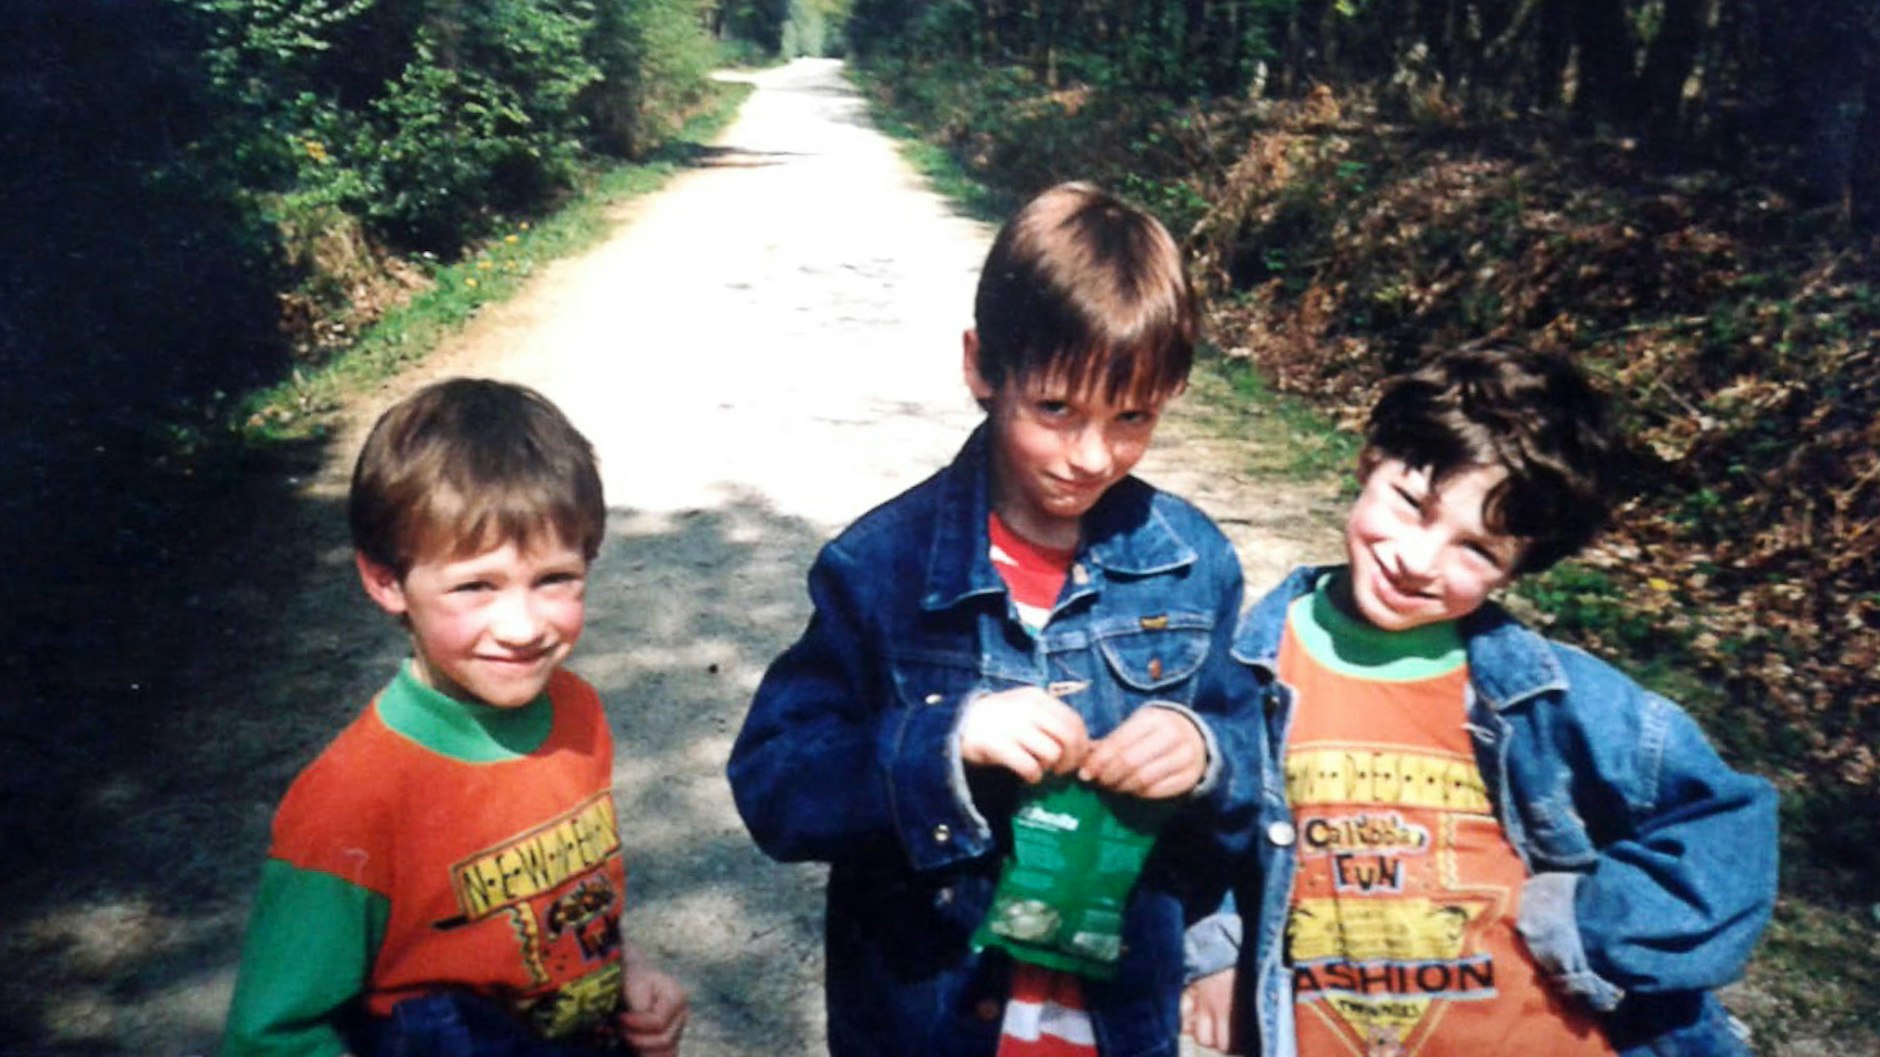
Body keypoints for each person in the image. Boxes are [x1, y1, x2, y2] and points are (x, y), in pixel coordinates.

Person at [726, 182, 1262, 1057]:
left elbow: (1251, 768)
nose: (1091, 455)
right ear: (983, 366)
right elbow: (777, 787)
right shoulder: (880, 568)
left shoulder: (1193, 562)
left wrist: (1207, 754)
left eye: (1133, 419)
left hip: (1116, 1017)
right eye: (1056, 409)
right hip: (928, 1017)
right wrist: (947, 740)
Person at [1181, 343, 1778, 1057]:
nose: (1419, 559)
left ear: (1518, 568)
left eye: (1477, 550)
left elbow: (1728, 823)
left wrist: (1585, 923)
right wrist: (1215, 947)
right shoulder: (1249, 669)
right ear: (1369, 460)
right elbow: (1196, 837)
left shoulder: (1551, 697)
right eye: (1411, 505)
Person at [222, 378, 690, 1057]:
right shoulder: (349, 802)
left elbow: (565, 911)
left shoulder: (577, 711)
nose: (523, 625)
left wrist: (629, 973)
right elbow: (267, 1038)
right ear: (387, 582)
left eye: (554, 578)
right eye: (476, 585)